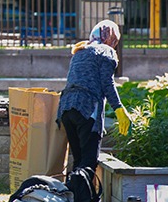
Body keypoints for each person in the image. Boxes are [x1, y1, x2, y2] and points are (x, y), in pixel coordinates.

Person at [56, 20, 131, 172]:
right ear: (112, 37)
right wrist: (119, 109)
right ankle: (83, 195)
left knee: (78, 159)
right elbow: (107, 83)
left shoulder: (80, 51)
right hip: (87, 108)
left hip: (66, 108)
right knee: (89, 161)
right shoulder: (106, 52)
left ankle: (76, 194)